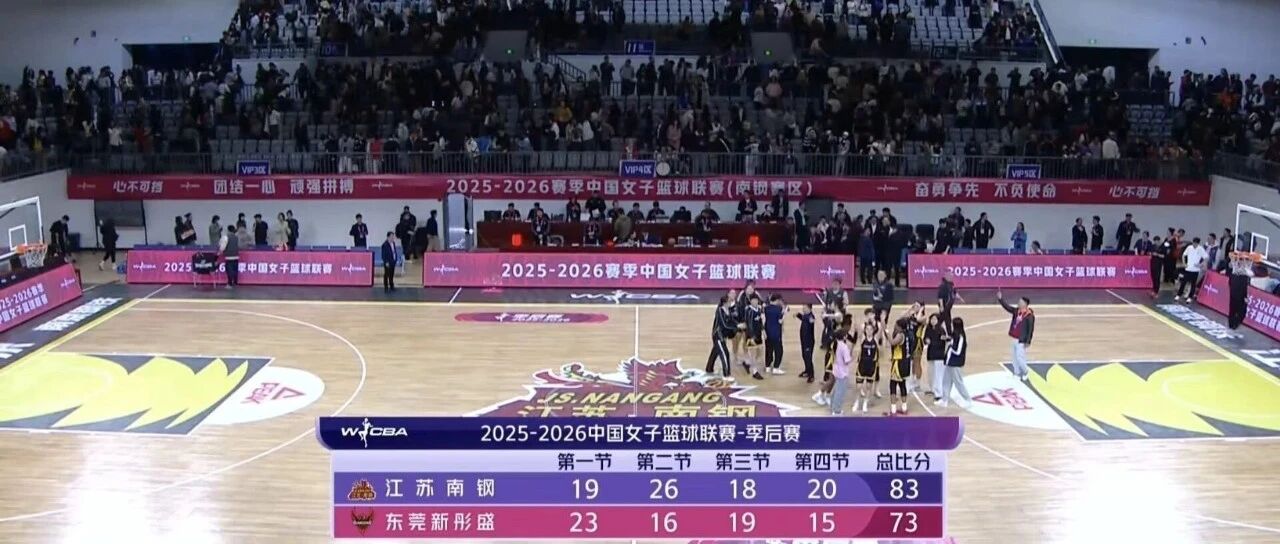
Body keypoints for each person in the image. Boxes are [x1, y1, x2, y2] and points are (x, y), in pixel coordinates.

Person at [997, 289, 1035, 381]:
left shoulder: (1029, 316)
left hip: (1021, 340)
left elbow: (1030, 329)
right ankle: (1017, 373)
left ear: (1025, 304)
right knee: (1014, 357)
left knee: (1019, 357)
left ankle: (1026, 371)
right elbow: (1007, 307)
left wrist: (1028, 341)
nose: (1018, 302)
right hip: (1014, 338)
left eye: (1020, 301)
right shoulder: (1016, 311)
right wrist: (1000, 299)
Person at [935, 317, 972, 408]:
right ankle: (945, 400)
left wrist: (951, 346)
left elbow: (958, 351)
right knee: (946, 381)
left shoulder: (960, 337)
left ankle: (967, 399)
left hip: (955, 363)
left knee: (958, 382)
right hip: (949, 362)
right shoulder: (955, 335)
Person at [886, 318, 913, 415]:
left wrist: (887, 332)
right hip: (906, 362)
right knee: (902, 384)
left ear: (900, 327)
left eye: (896, 325)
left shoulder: (900, 335)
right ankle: (904, 408)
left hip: (899, 363)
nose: (895, 326)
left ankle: (893, 410)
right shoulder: (908, 334)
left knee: (893, 385)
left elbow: (892, 342)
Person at [705, 295, 736, 379]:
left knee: (715, 351)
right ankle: (726, 374)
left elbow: (732, 321)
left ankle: (709, 368)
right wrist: (737, 327)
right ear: (725, 302)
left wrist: (737, 325)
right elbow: (724, 325)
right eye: (729, 301)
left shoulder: (728, 310)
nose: (731, 302)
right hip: (718, 336)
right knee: (725, 353)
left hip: (723, 336)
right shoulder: (719, 311)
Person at [853, 319, 880, 414]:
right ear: (865, 330)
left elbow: (880, 329)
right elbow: (859, 330)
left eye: (870, 329)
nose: (869, 331)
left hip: (871, 366)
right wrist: (860, 324)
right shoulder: (862, 339)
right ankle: (857, 402)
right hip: (862, 365)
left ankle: (865, 403)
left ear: (873, 330)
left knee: (868, 387)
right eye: (867, 329)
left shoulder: (875, 339)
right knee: (858, 387)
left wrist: (877, 320)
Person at [828, 326, 854, 416]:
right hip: (842, 372)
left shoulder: (835, 344)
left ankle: (832, 406)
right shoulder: (844, 347)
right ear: (844, 337)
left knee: (836, 389)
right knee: (840, 391)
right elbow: (847, 361)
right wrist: (852, 357)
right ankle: (836, 410)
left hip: (836, 369)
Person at [740, 295, 766, 380]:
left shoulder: (759, 309)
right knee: (753, 354)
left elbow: (760, 322)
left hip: (758, 334)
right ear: (750, 301)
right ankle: (755, 372)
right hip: (751, 336)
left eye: (756, 300)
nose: (755, 302)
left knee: (760, 353)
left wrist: (763, 330)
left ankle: (747, 362)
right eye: (753, 300)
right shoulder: (749, 311)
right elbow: (749, 324)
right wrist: (751, 336)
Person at [923, 313, 949, 399]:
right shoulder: (928, 329)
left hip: (939, 355)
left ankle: (939, 393)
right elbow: (925, 339)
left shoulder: (941, 330)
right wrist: (926, 340)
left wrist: (932, 342)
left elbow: (944, 341)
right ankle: (933, 389)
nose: (933, 321)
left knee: (938, 375)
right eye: (932, 319)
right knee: (931, 373)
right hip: (931, 354)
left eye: (935, 319)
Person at [1175, 237, 1208, 302]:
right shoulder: (1189, 247)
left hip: (1195, 270)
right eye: (1193, 243)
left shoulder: (1200, 249)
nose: (1194, 244)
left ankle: (1190, 297)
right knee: (1183, 283)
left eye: (1196, 243)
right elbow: (1184, 255)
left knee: (1193, 284)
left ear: (1198, 243)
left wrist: (1200, 264)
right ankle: (1178, 295)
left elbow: (1206, 258)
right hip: (1188, 269)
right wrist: (1184, 263)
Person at [1227, 253, 1254, 331]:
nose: (1243, 261)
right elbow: (1230, 265)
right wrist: (1233, 258)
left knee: (1238, 310)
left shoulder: (1244, 269)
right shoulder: (1236, 268)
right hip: (1236, 291)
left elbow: (1251, 273)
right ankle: (1232, 324)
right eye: (1242, 259)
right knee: (1236, 310)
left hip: (1238, 291)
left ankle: (1233, 324)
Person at [763, 294, 786, 375]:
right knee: (779, 350)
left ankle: (767, 366)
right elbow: (780, 321)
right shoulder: (779, 309)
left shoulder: (765, 308)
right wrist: (784, 313)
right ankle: (776, 367)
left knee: (768, 349)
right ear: (777, 300)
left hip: (767, 332)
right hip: (776, 333)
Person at [795, 303, 816, 383]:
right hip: (804, 340)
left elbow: (811, 320)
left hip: (809, 341)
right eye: (803, 308)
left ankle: (811, 375)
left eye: (804, 308)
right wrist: (798, 315)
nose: (803, 309)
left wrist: (799, 315)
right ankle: (807, 371)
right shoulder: (805, 316)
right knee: (804, 356)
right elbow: (804, 318)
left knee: (808, 358)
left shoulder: (811, 316)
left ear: (809, 309)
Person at [219, 224, 240, 288]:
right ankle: (235, 282)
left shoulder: (226, 237)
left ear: (228, 230)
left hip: (229, 256)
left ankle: (230, 284)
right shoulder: (236, 237)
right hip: (236, 256)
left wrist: (220, 251)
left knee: (229, 270)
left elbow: (222, 247)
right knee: (235, 270)